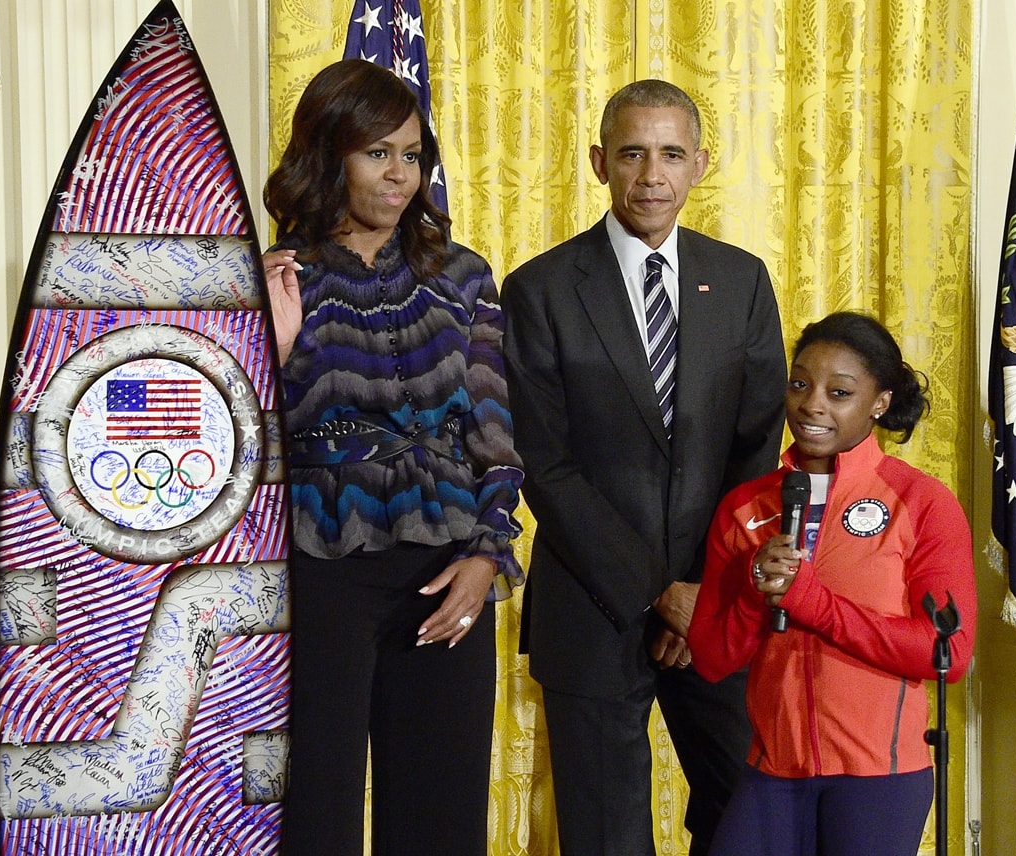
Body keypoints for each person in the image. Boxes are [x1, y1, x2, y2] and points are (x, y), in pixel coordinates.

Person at [501, 79, 787, 856]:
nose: (651, 175)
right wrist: (660, 594)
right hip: (595, 610)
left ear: (700, 162)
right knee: (606, 836)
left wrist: (706, 589)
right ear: (600, 162)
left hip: (717, 607)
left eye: (669, 154)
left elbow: (757, 449)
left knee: (746, 816)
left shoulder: (742, 281)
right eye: (631, 153)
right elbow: (545, 465)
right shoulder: (539, 290)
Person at [262, 59, 524, 856]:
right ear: (329, 154)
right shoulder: (273, 277)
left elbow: (494, 431)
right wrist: (267, 345)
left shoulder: (463, 275)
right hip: (318, 573)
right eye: (378, 152)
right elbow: (232, 454)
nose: (400, 174)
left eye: (411, 154)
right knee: (317, 814)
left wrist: (488, 553)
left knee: (440, 821)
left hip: (444, 570)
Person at [688, 311, 978, 856]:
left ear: (880, 403)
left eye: (839, 391)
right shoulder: (746, 506)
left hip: (877, 779)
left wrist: (813, 602)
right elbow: (709, 658)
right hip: (773, 770)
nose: (811, 404)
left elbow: (949, 652)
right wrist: (755, 591)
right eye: (800, 383)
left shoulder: (922, 503)